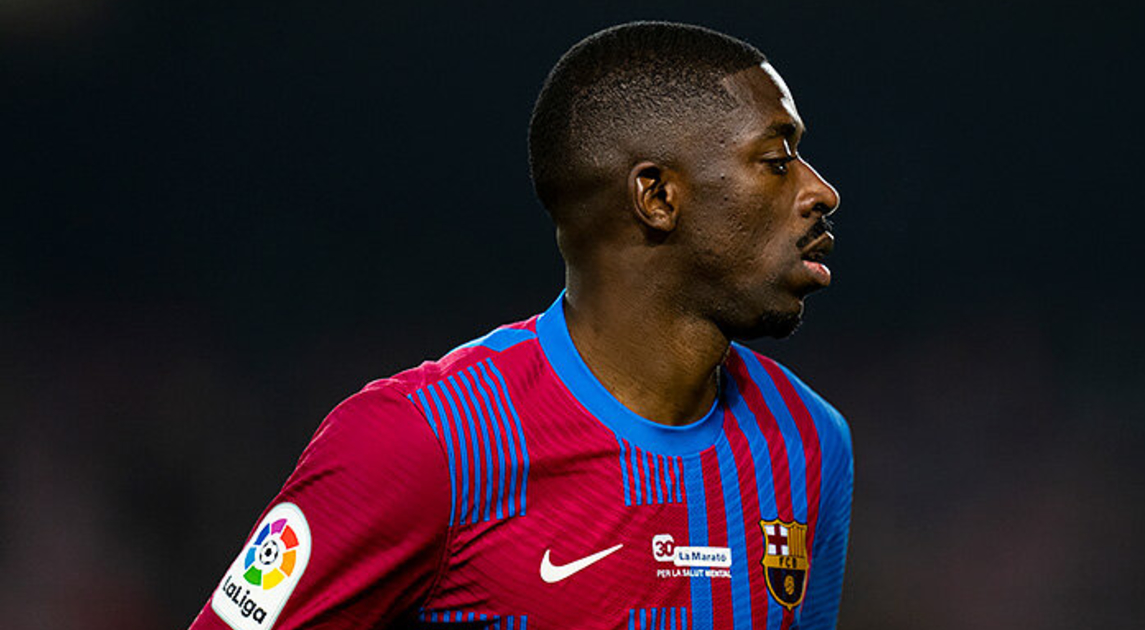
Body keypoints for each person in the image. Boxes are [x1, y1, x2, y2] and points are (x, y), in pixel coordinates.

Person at [190, 20, 851, 630]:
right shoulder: (422, 440)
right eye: (777, 160)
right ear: (656, 196)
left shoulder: (809, 441)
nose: (821, 191)